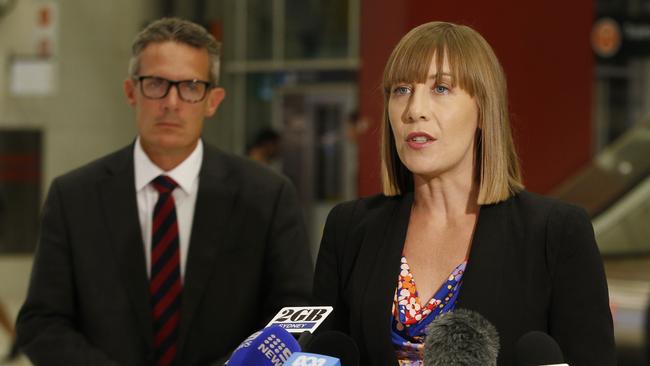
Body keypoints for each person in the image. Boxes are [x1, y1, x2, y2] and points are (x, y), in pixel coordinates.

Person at [312, 21, 615, 366]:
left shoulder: (556, 233)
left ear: (484, 110)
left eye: (440, 89)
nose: (415, 110)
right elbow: (320, 351)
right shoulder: (349, 228)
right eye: (401, 90)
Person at [16, 17, 312, 366]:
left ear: (213, 100)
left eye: (190, 86)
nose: (171, 102)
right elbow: (42, 323)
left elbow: (295, 318)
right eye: (156, 83)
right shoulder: (75, 197)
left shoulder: (266, 196)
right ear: (131, 92)